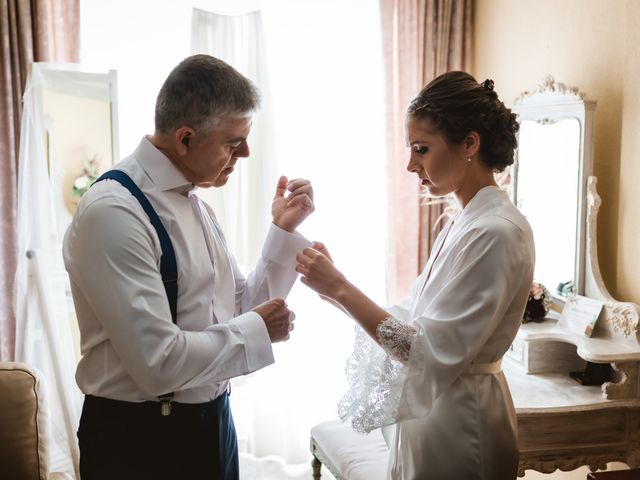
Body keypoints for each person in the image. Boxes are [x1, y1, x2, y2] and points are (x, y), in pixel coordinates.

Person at [63, 54, 313, 480]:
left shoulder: (196, 205)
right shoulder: (115, 212)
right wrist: (256, 329)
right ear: (184, 140)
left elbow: (240, 307)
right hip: (141, 443)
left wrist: (282, 231)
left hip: (212, 426)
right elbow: (158, 363)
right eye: (233, 143)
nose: (245, 154)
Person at [296, 71, 534, 480]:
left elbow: (421, 348)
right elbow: (409, 318)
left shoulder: (496, 232)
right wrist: (334, 290)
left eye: (421, 149)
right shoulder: (462, 222)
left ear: (470, 143)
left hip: (462, 428)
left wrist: (340, 286)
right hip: (432, 421)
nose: (410, 164)